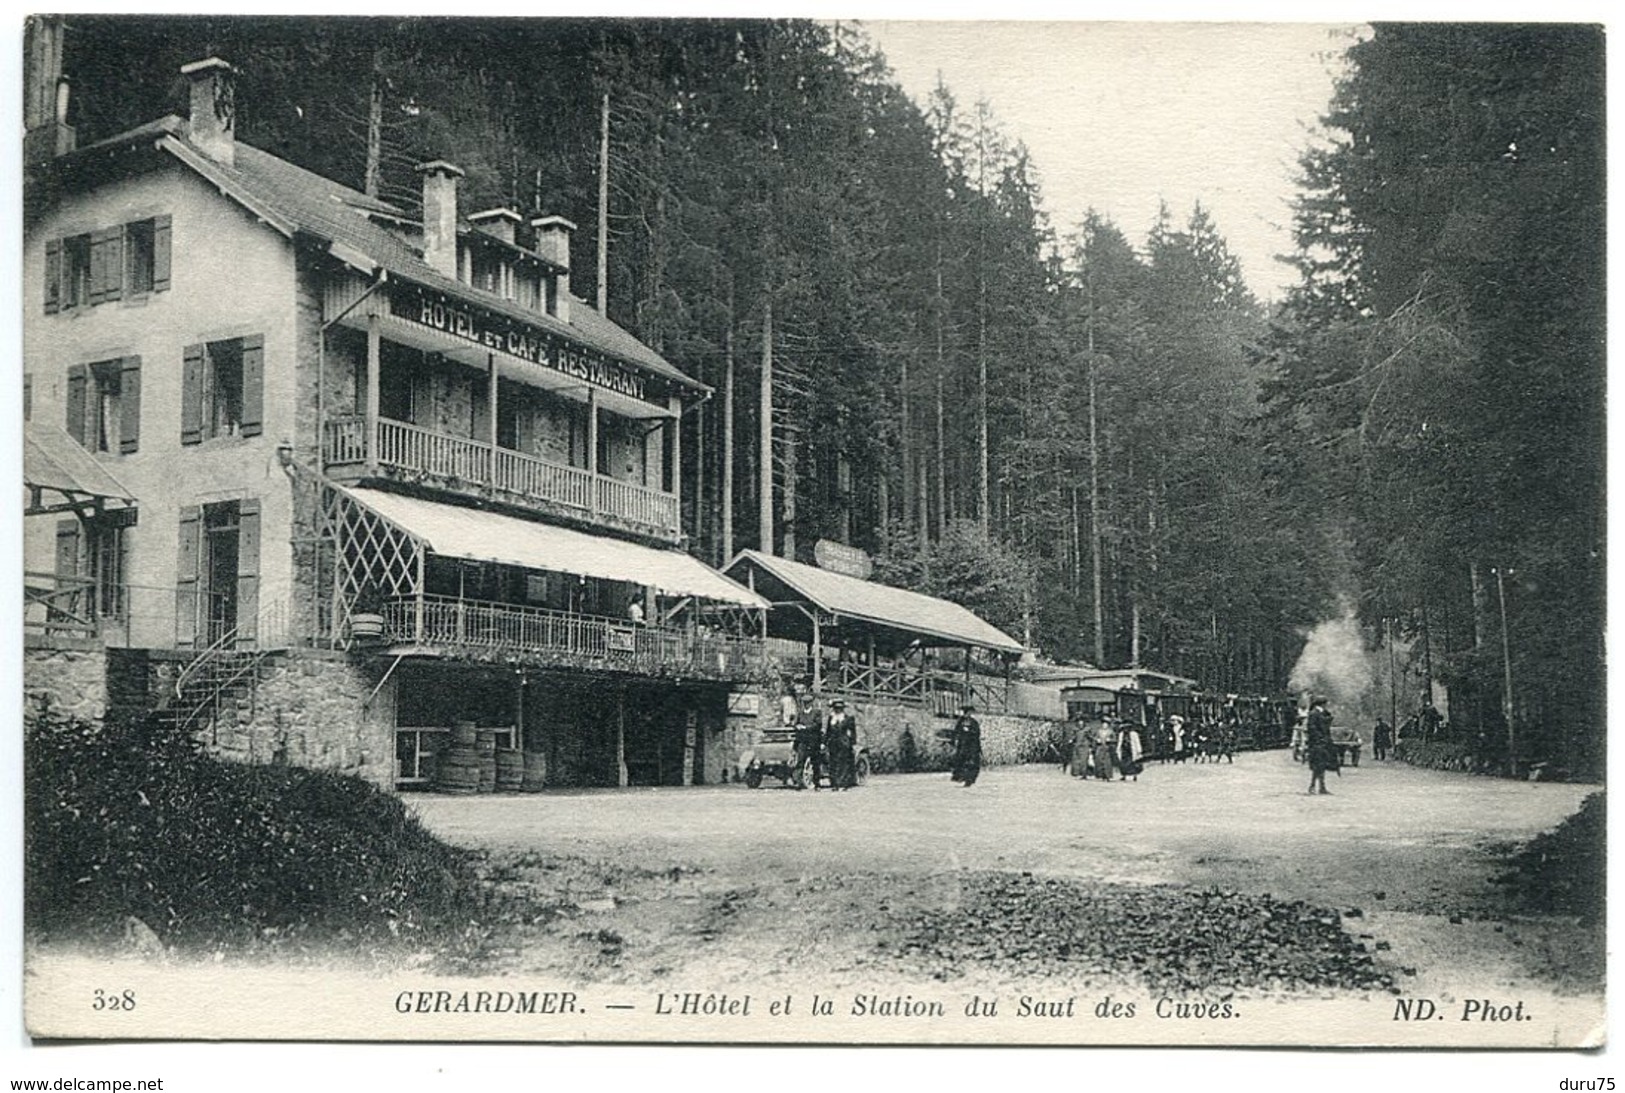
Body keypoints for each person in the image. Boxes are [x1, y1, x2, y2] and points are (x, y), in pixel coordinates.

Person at [791, 687, 825, 790]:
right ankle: (798, 782)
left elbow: (817, 725)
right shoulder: (800, 713)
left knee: (815, 763)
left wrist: (805, 727)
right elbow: (795, 723)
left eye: (808, 703)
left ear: (811, 703)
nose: (806, 705)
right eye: (804, 703)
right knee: (800, 761)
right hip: (802, 741)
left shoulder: (817, 712)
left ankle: (817, 783)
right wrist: (797, 726)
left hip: (813, 741)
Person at [1306, 695, 1338, 795]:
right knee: (1318, 765)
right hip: (1317, 743)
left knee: (1322, 765)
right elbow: (1312, 728)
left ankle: (1320, 787)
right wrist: (1320, 738)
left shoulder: (1321, 713)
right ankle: (1313, 786)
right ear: (1322, 704)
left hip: (1322, 743)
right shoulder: (1314, 714)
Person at [825, 698, 857, 790]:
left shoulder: (848, 718)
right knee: (833, 763)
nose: (838, 710)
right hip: (833, 743)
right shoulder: (831, 718)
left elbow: (852, 732)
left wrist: (852, 743)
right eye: (836, 708)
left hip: (844, 743)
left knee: (843, 763)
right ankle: (834, 783)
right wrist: (825, 742)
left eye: (839, 708)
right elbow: (828, 731)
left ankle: (843, 783)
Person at [949, 703, 983, 787]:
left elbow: (977, 733)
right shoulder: (960, 721)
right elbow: (956, 732)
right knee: (961, 761)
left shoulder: (974, 722)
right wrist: (954, 740)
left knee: (972, 763)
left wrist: (969, 732)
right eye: (966, 712)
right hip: (963, 745)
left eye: (968, 713)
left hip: (972, 746)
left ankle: (969, 779)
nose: (967, 714)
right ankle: (961, 777)